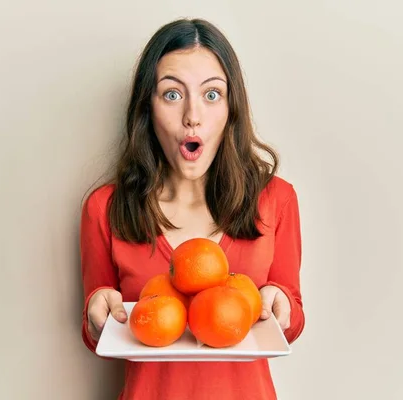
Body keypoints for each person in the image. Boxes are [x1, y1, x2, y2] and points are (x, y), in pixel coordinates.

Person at [80, 17, 305, 400]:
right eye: (171, 94)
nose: (192, 116)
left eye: (212, 94)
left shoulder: (276, 199)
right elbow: (96, 335)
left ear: (231, 108)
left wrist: (282, 304)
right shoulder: (105, 208)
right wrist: (97, 314)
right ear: (146, 108)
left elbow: (293, 319)